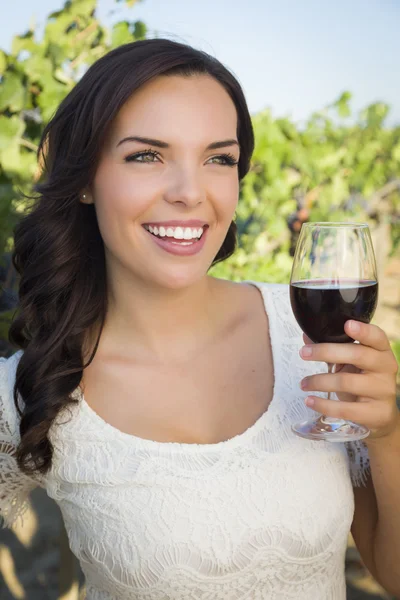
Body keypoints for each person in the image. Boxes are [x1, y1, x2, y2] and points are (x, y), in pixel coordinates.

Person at [0, 38, 399, 600]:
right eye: (146, 155)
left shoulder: (301, 335)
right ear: (85, 178)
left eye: (219, 159)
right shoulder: (33, 386)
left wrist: (386, 434)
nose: (191, 193)